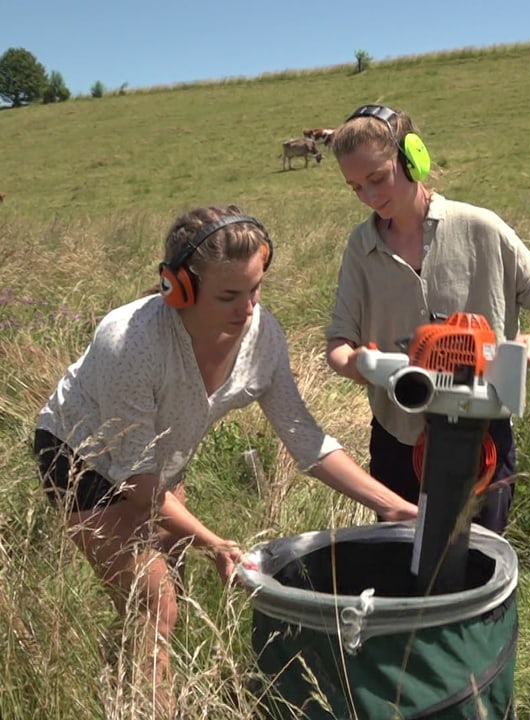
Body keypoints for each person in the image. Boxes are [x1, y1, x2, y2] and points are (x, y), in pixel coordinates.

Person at [33, 204, 419, 719]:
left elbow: (305, 437)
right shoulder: (131, 340)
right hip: (83, 461)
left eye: (256, 288)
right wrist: (212, 542)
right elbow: (135, 478)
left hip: (158, 464)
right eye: (229, 295)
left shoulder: (262, 336)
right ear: (180, 289)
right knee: (156, 605)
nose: (248, 308)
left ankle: (121, 688)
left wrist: (393, 507)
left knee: (162, 602)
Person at [324, 104, 530, 535]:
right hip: (398, 437)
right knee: (401, 567)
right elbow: (337, 344)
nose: (369, 197)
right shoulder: (360, 248)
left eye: (377, 178)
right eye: (355, 188)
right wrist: (360, 367)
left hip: (482, 438)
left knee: (478, 562)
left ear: (413, 158)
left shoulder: (481, 228)